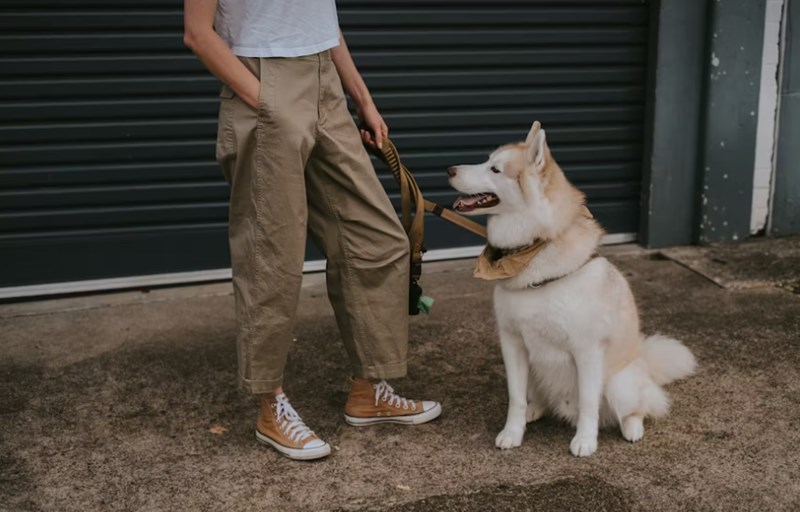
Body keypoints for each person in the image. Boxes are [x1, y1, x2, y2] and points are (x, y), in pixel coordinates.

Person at [183, 0, 442, 461]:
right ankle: (270, 405)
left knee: (376, 237)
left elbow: (322, 23)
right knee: (272, 253)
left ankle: (368, 390)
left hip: (326, 83)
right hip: (263, 79)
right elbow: (198, 34)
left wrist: (362, 98)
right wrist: (265, 102)